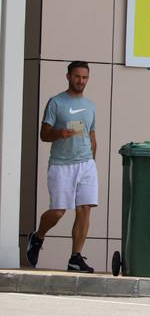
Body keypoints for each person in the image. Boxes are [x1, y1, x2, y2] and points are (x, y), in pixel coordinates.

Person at [26, 61, 98, 273]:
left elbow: (92, 136)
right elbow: (43, 135)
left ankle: (75, 258)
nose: (81, 81)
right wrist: (60, 133)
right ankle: (38, 236)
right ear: (68, 77)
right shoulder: (56, 102)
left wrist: (92, 160)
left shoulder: (91, 105)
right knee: (58, 212)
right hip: (61, 165)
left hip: (86, 164)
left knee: (84, 209)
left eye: (84, 77)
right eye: (77, 76)